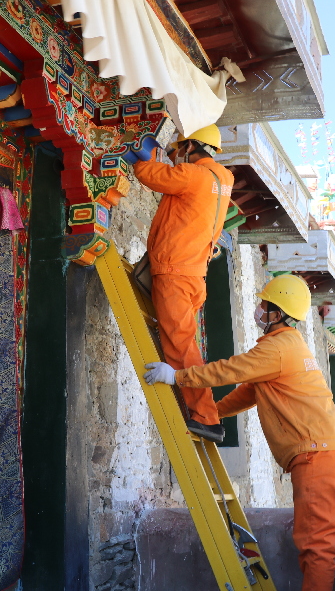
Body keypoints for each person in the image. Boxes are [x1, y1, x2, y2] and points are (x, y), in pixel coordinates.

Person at [143, 275, 335, 591]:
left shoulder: (276, 348)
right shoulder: (291, 346)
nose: (258, 309)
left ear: (276, 314)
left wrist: (177, 375)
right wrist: (211, 413)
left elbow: (229, 370)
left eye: (264, 304)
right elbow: (249, 392)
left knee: (316, 547)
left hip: (316, 457)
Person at [133, 124, 233, 443]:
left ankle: (205, 417)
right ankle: (199, 410)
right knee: (183, 342)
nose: (177, 158)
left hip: (175, 271)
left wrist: (137, 152)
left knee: (180, 345)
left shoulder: (193, 175)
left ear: (191, 148)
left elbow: (151, 175)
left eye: (178, 152)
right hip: (193, 274)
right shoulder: (223, 179)